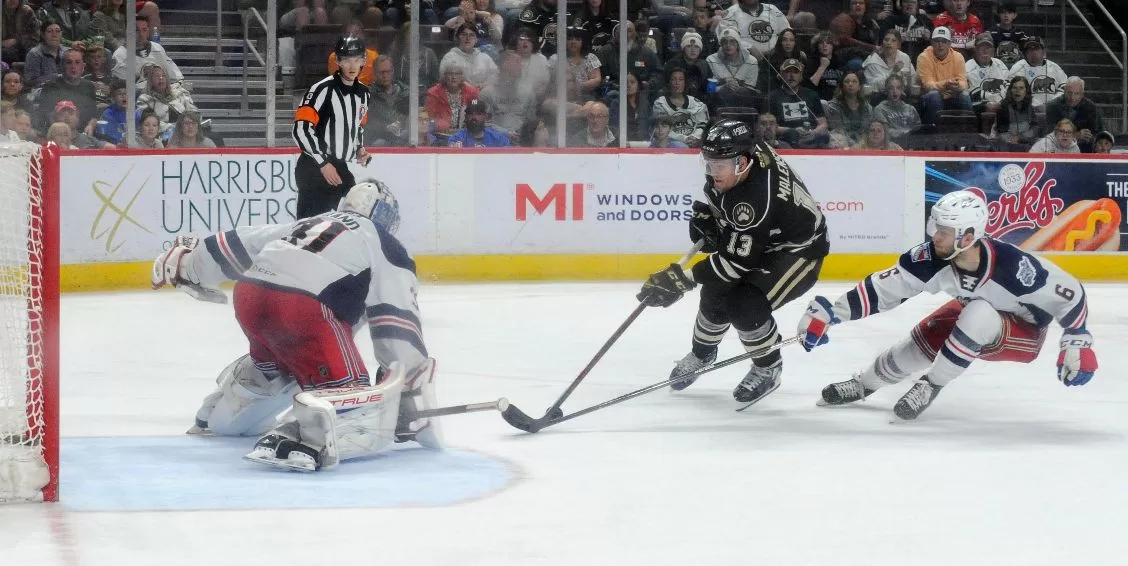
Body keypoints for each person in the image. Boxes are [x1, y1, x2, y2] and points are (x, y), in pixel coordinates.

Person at [150, 181, 441, 472]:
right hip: (303, 309)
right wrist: (407, 384)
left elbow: (241, 243)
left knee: (282, 364)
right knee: (353, 401)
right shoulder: (384, 244)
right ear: (387, 218)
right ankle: (301, 435)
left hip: (251, 296)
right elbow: (396, 322)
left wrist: (191, 266)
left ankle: (221, 410)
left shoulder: (314, 222)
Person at [799, 190, 1097, 420]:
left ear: (968, 236)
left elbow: (1069, 292)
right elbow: (881, 290)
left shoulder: (1014, 267)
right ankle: (865, 384)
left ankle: (931, 385)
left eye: (944, 231)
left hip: (1024, 333)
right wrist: (830, 314)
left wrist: (1077, 341)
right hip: (976, 310)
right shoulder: (930, 258)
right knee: (923, 340)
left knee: (977, 313)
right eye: (935, 226)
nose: (935, 235)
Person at [636, 119, 828, 408]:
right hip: (762, 235)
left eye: (719, 166)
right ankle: (702, 354)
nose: (712, 172)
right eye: (709, 163)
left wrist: (682, 279)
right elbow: (733, 225)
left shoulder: (754, 200)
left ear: (742, 163)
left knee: (744, 304)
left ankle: (768, 367)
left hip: (797, 250)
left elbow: (734, 263)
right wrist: (714, 220)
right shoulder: (747, 156)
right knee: (714, 290)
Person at [292, 35, 372, 218]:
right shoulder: (321, 90)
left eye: (357, 60)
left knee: (355, 218)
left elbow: (357, 127)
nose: (352, 66)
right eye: (346, 60)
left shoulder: (364, 94)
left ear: (364, 60)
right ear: (337, 61)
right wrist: (323, 163)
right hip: (313, 168)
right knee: (309, 230)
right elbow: (301, 129)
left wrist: (359, 149)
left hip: (339, 167)